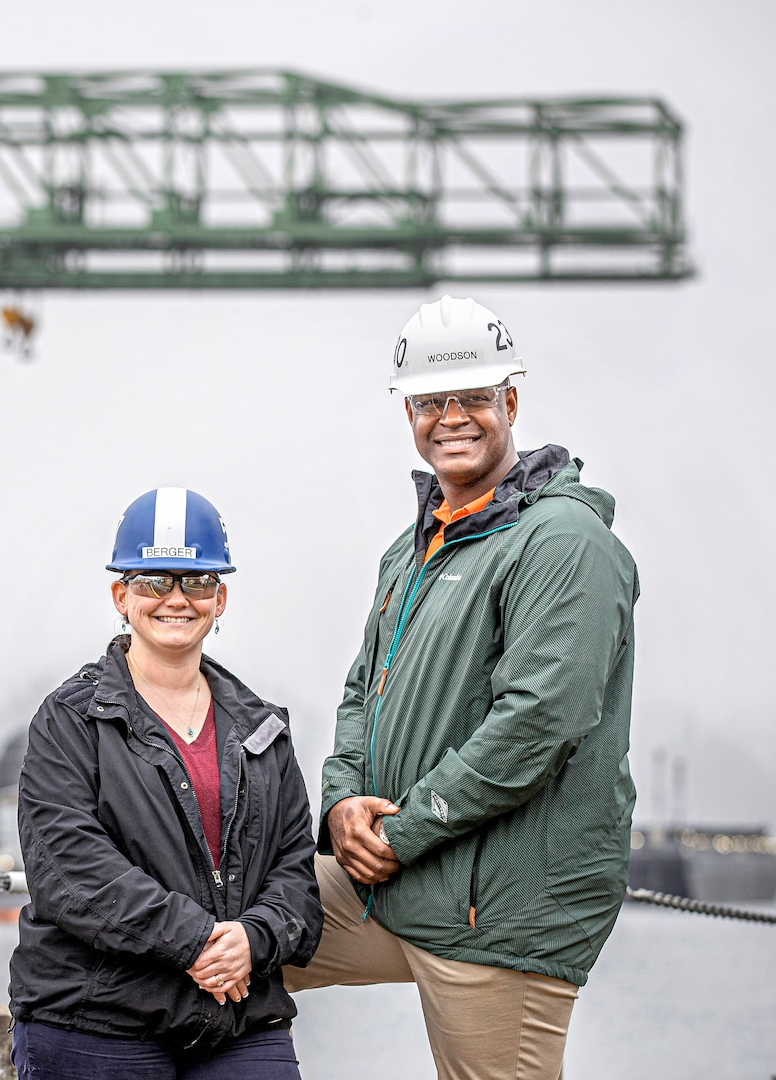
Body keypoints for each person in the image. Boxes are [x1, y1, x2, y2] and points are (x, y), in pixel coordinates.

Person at [284, 296, 640, 1080]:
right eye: (431, 401)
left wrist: (400, 833)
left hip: (499, 910)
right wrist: (342, 805)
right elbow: (359, 696)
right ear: (410, 411)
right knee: (219, 939)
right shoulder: (412, 551)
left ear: (510, 401)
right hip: (396, 882)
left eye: (474, 397)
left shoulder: (561, 542)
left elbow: (538, 723)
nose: (452, 418)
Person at [9, 487, 325, 1080]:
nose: (176, 599)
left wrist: (253, 941)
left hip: (237, 1018)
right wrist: (200, 940)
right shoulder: (70, 721)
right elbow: (70, 868)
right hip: (97, 1019)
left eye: (197, 582)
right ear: (120, 595)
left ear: (220, 598)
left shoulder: (263, 729)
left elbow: (294, 870)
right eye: (155, 582)